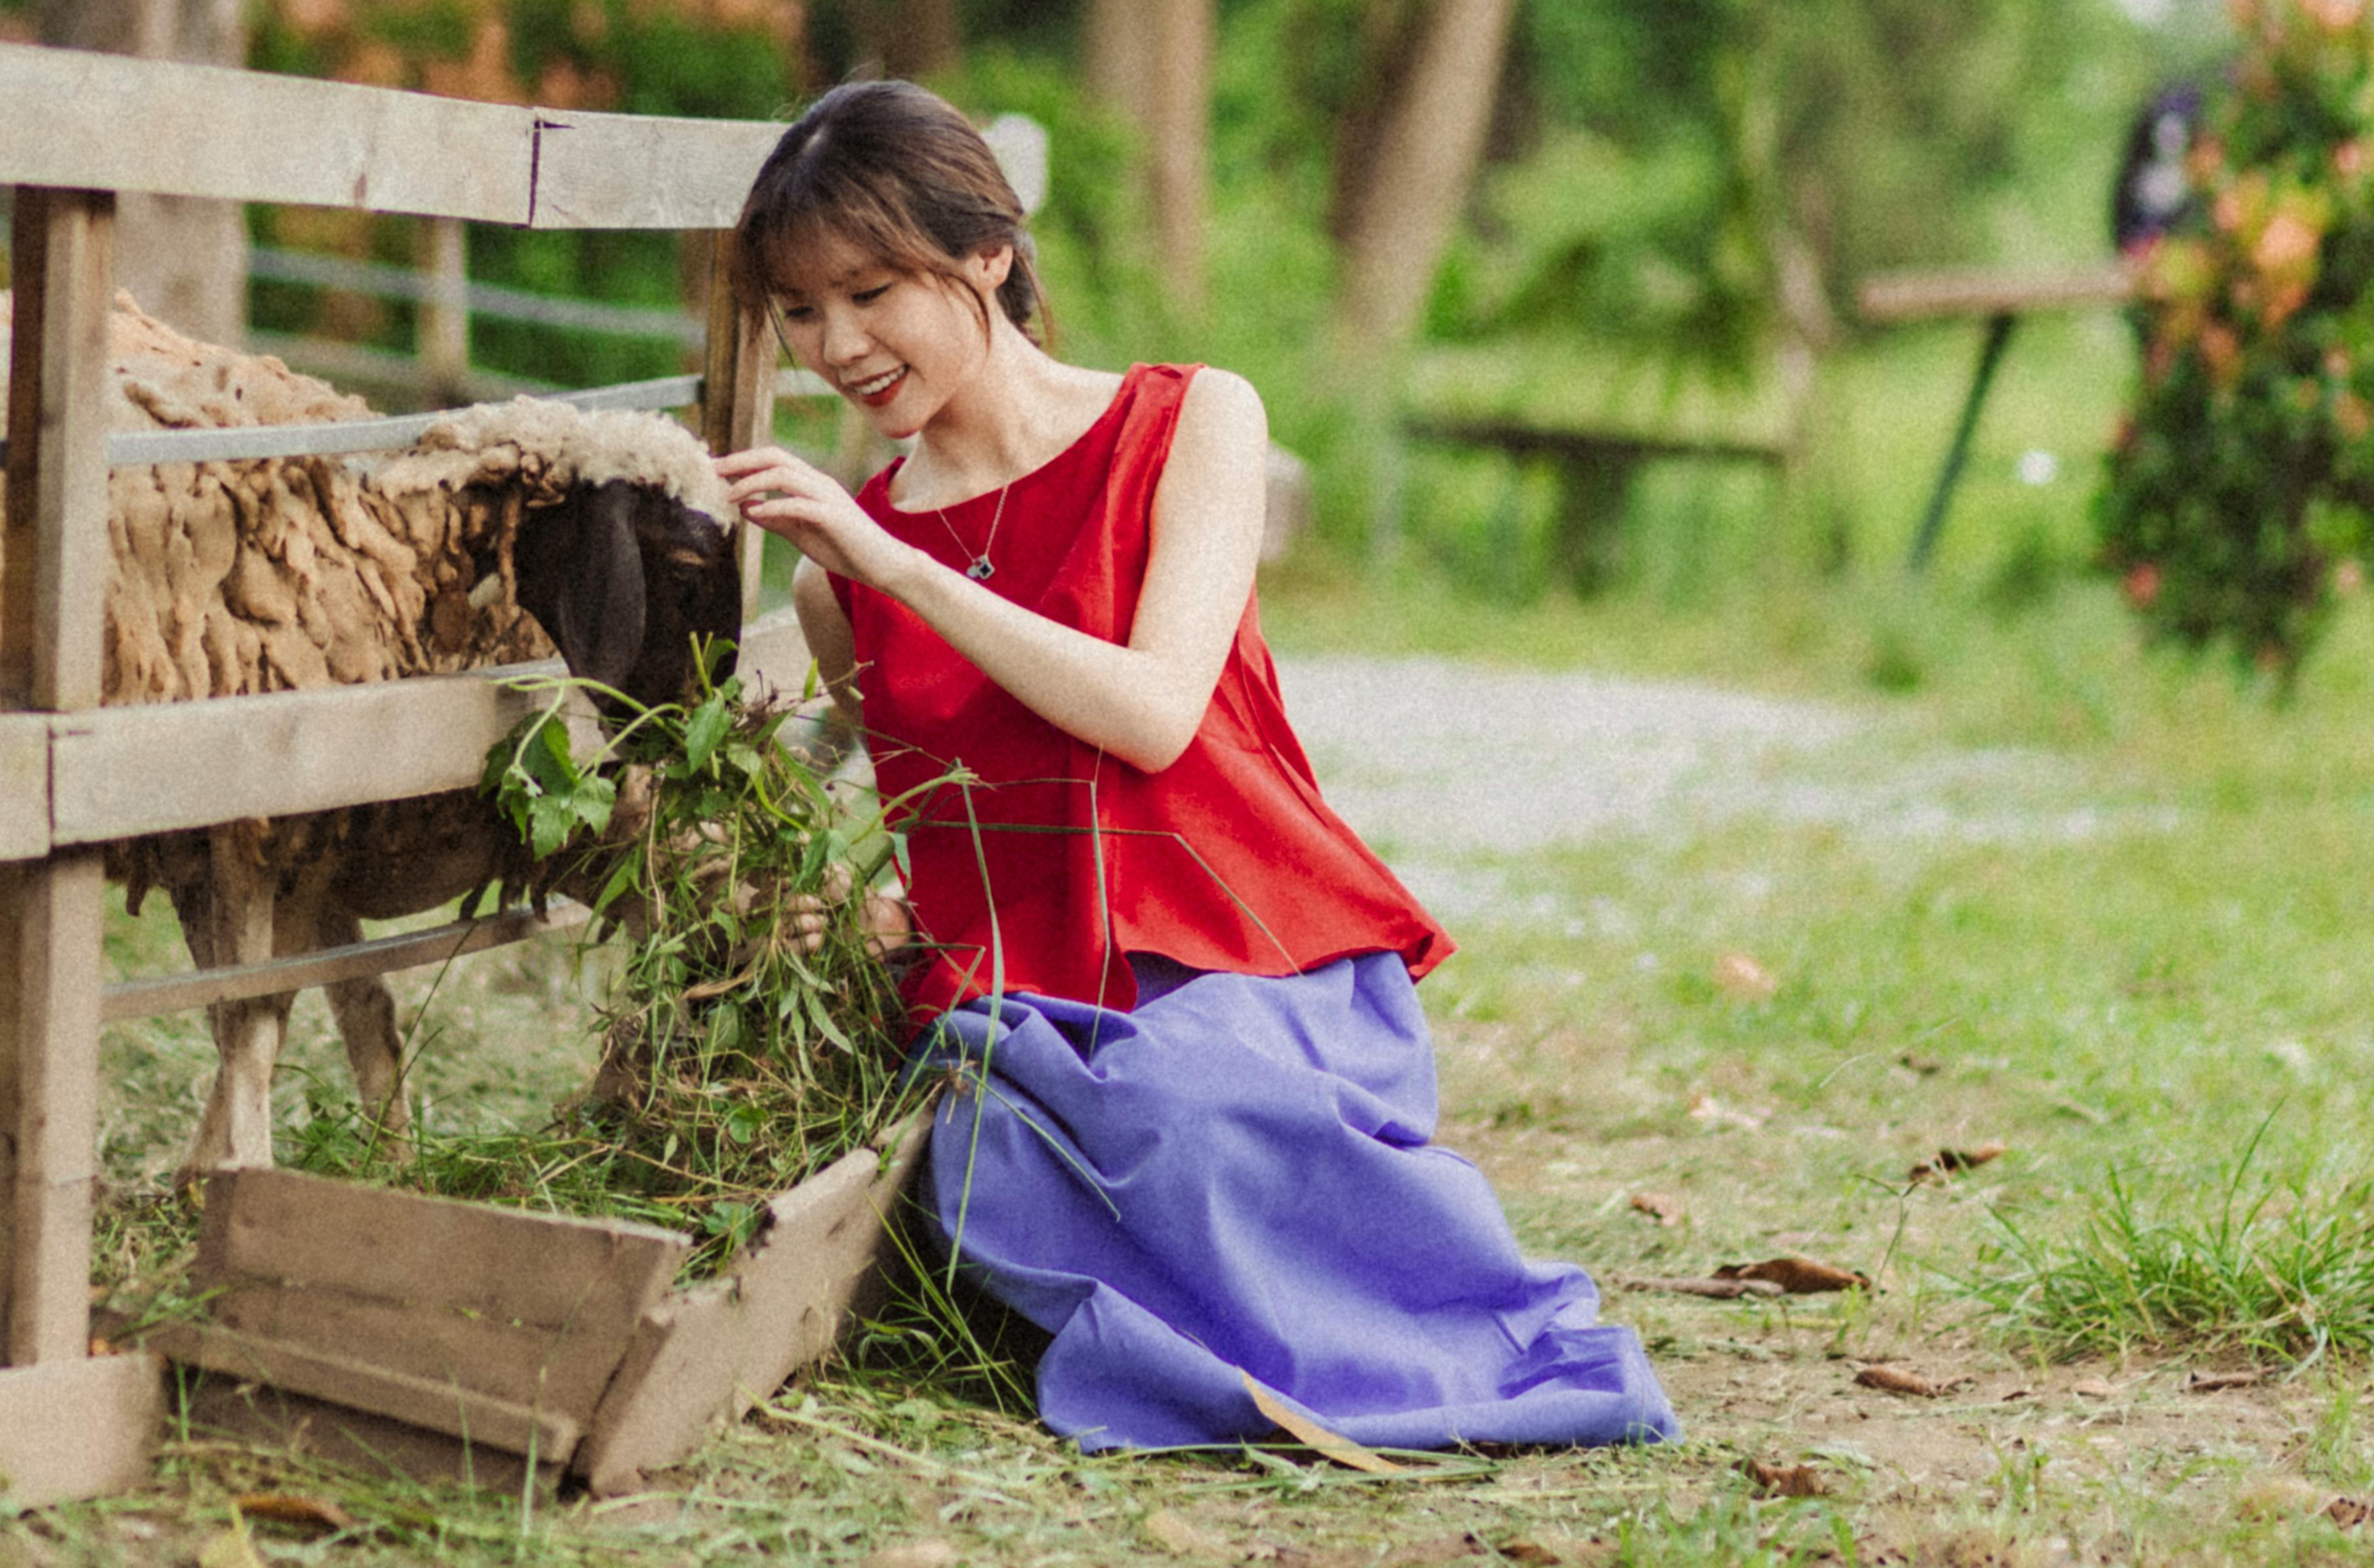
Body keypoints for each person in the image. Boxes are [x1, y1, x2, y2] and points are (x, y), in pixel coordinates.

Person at [708, 79, 1680, 1456]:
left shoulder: (1188, 423)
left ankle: (1432, 1351)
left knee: (1197, 1108)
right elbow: (937, 833)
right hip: (1034, 1000)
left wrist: (899, 566)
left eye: (872, 290)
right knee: (988, 1166)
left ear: (988, 250)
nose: (838, 344)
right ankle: (1225, 1330)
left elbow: (1156, 714)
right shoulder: (844, 578)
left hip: (1243, 950)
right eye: (800, 310)